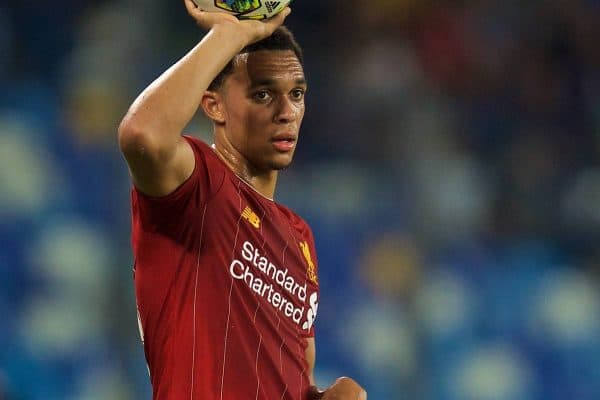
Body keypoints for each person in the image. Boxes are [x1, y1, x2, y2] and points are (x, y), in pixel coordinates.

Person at [118, 1, 367, 399]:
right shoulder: (198, 189)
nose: (287, 112)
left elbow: (291, 372)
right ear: (214, 104)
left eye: (297, 94)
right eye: (264, 94)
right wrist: (230, 35)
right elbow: (142, 135)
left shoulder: (299, 236)